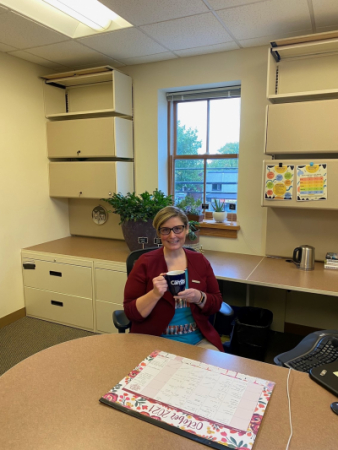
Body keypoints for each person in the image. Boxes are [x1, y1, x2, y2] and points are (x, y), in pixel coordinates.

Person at [124, 206, 224, 352]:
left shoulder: (199, 261)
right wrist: (154, 294)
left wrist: (199, 297)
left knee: (214, 371)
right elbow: (130, 312)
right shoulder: (145, 263)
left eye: (178, 228)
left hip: (198, 341)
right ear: (159, 233)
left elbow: (216, 303)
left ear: (187, 229)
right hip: (156, 342)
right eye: (165, 230)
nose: (172, 236)